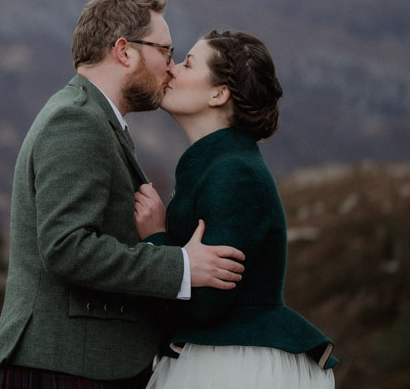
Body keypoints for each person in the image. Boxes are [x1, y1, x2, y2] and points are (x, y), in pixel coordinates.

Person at [0, 0, 248, 389]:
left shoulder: (93, 119)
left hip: (76, 364)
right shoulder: (77, 122)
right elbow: (66, 247)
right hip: (64, 369)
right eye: (165, 50)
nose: (171, 67)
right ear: (125, 52)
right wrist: (181, 266)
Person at [134, 30, 337, 388]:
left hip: (232, 366)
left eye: (187, 63)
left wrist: (157, 238)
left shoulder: (234, 173)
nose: (172, 68)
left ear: (219, 93)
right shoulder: (218, 164)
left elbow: (207, 303)